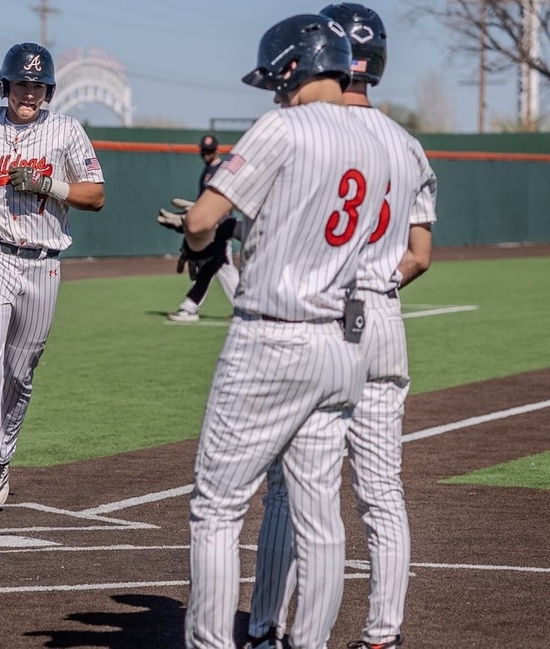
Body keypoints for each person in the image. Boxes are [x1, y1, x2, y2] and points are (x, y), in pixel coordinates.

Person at [176, 13, 391, 649]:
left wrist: (199, 226)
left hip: (273, 335)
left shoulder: (282, 125)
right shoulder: (378, 139)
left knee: (217, 508)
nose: (273, 91)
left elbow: (204, 221)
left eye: (276, 78)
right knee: (319, 515)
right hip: (344, 340)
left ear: (296, 67)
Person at [244, 5, 438, 649]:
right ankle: (382, 636)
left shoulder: (302, 131)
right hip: (382, 317)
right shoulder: (407, 146)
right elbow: (419, 256)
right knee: (381, 490)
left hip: (320, 318)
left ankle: (269, 627)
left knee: (288, 490)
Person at [0, 42, 105, 520]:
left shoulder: (67, 130)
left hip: (43, 261)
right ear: (4, 85)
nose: (28, 93)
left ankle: (2, 457)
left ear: (48, 90)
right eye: (20, 83)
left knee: (19, 374)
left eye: (37, 85)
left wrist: (51, 184)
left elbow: (96, 195)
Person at [160, 134, 239, 322]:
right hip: (211, 228)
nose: (206, 153)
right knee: (221, 267)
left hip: (219, 226)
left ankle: (190, 307)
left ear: (217, 150)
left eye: (210, 150)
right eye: (204, 150)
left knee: (211, 266)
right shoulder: (207, 172)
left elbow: (229, 200)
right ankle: (244, 308)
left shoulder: (222, 169)